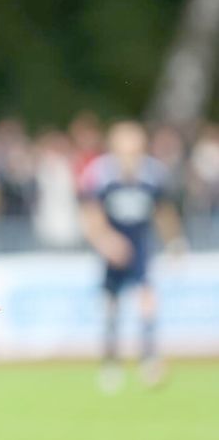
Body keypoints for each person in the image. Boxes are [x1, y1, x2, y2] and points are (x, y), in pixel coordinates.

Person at [79, 120, 185, 392]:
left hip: (140, 247)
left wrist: (174, 242)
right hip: (112, 249)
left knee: (148, 301)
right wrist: (106, 241)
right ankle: (110, 362)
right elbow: (91, 214)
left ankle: (149, 359)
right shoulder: (101, 173)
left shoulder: (153, 173)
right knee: (111, 305)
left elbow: (164, 212)